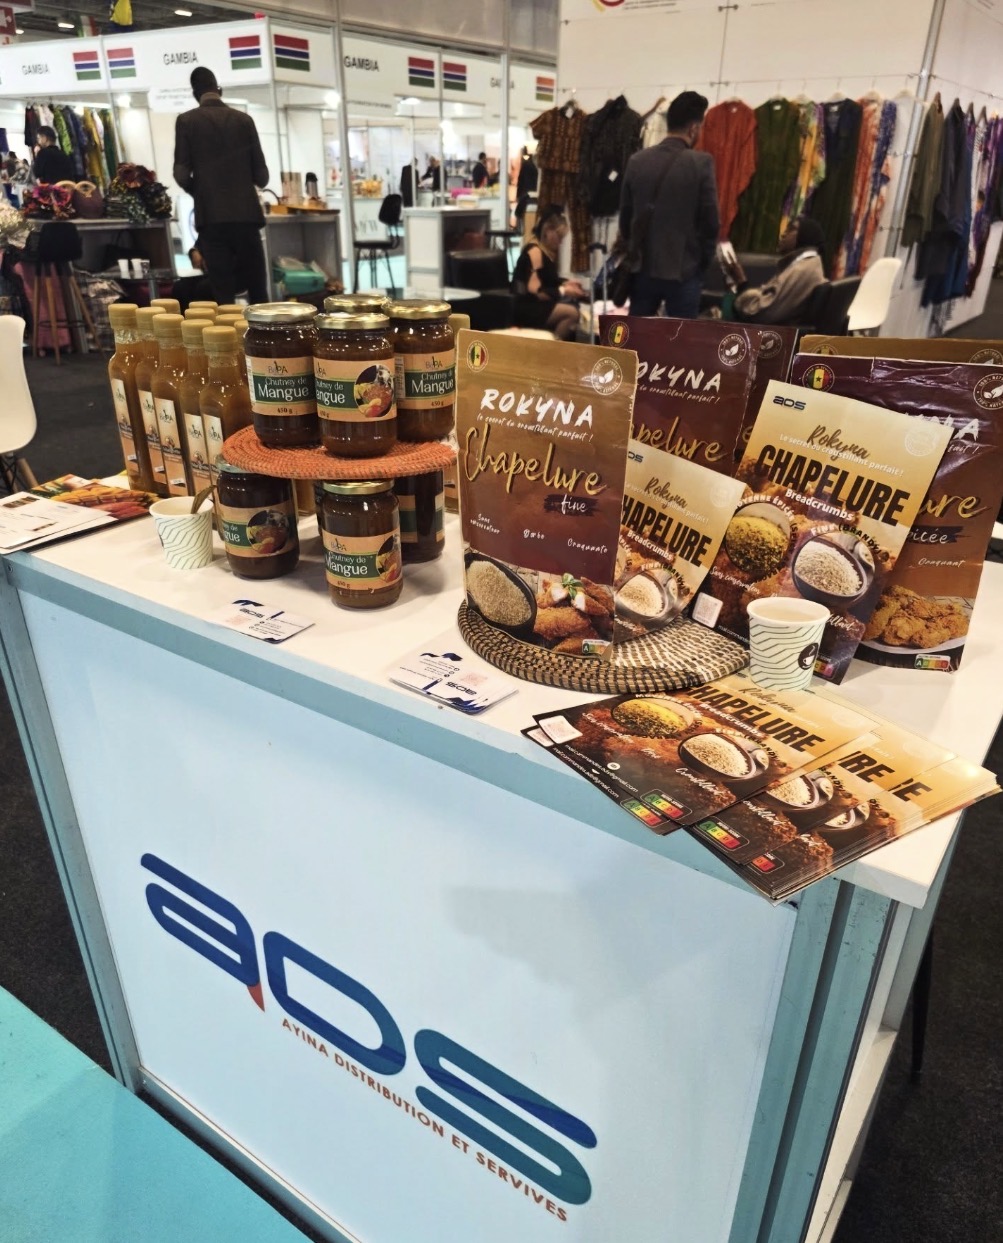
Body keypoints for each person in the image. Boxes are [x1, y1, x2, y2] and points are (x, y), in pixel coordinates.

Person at [617, 91, 719, 318]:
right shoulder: (701, 163)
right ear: (693, 128)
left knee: (638, 335)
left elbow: (625, 219)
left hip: (642, 268)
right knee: (679, 338)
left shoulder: (637, 161)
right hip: (684, 270)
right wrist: (701, 263)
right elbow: (710, 223)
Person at [173, 66, 270, 305]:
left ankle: (228, 329)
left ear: (195, 94)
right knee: (258, 292)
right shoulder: (244, 120)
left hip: (212, 220)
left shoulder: (186, 121)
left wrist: (201, 191)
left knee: (223, 295)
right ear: (219, 89)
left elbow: (181, 173)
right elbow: (262, 176)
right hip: (247, 217)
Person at [726, 217, 827, 325]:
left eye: (791, 229)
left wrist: (742, 284)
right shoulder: (806, 264)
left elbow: (759, 313)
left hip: (770, 332)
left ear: (805, 235)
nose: (783, 235)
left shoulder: (802, 269)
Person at [511, 203, 588, 340]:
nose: (560, 242)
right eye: (559, 237)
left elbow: (548, 280)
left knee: (574, 306)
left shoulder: (544, 252)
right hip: (527, 307)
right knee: (572, 314)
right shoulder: (535, 252)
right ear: (548, 231)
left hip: (535, 304)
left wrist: (566, 284)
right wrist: (564, 290)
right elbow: (536, 291)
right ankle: (552, 348)